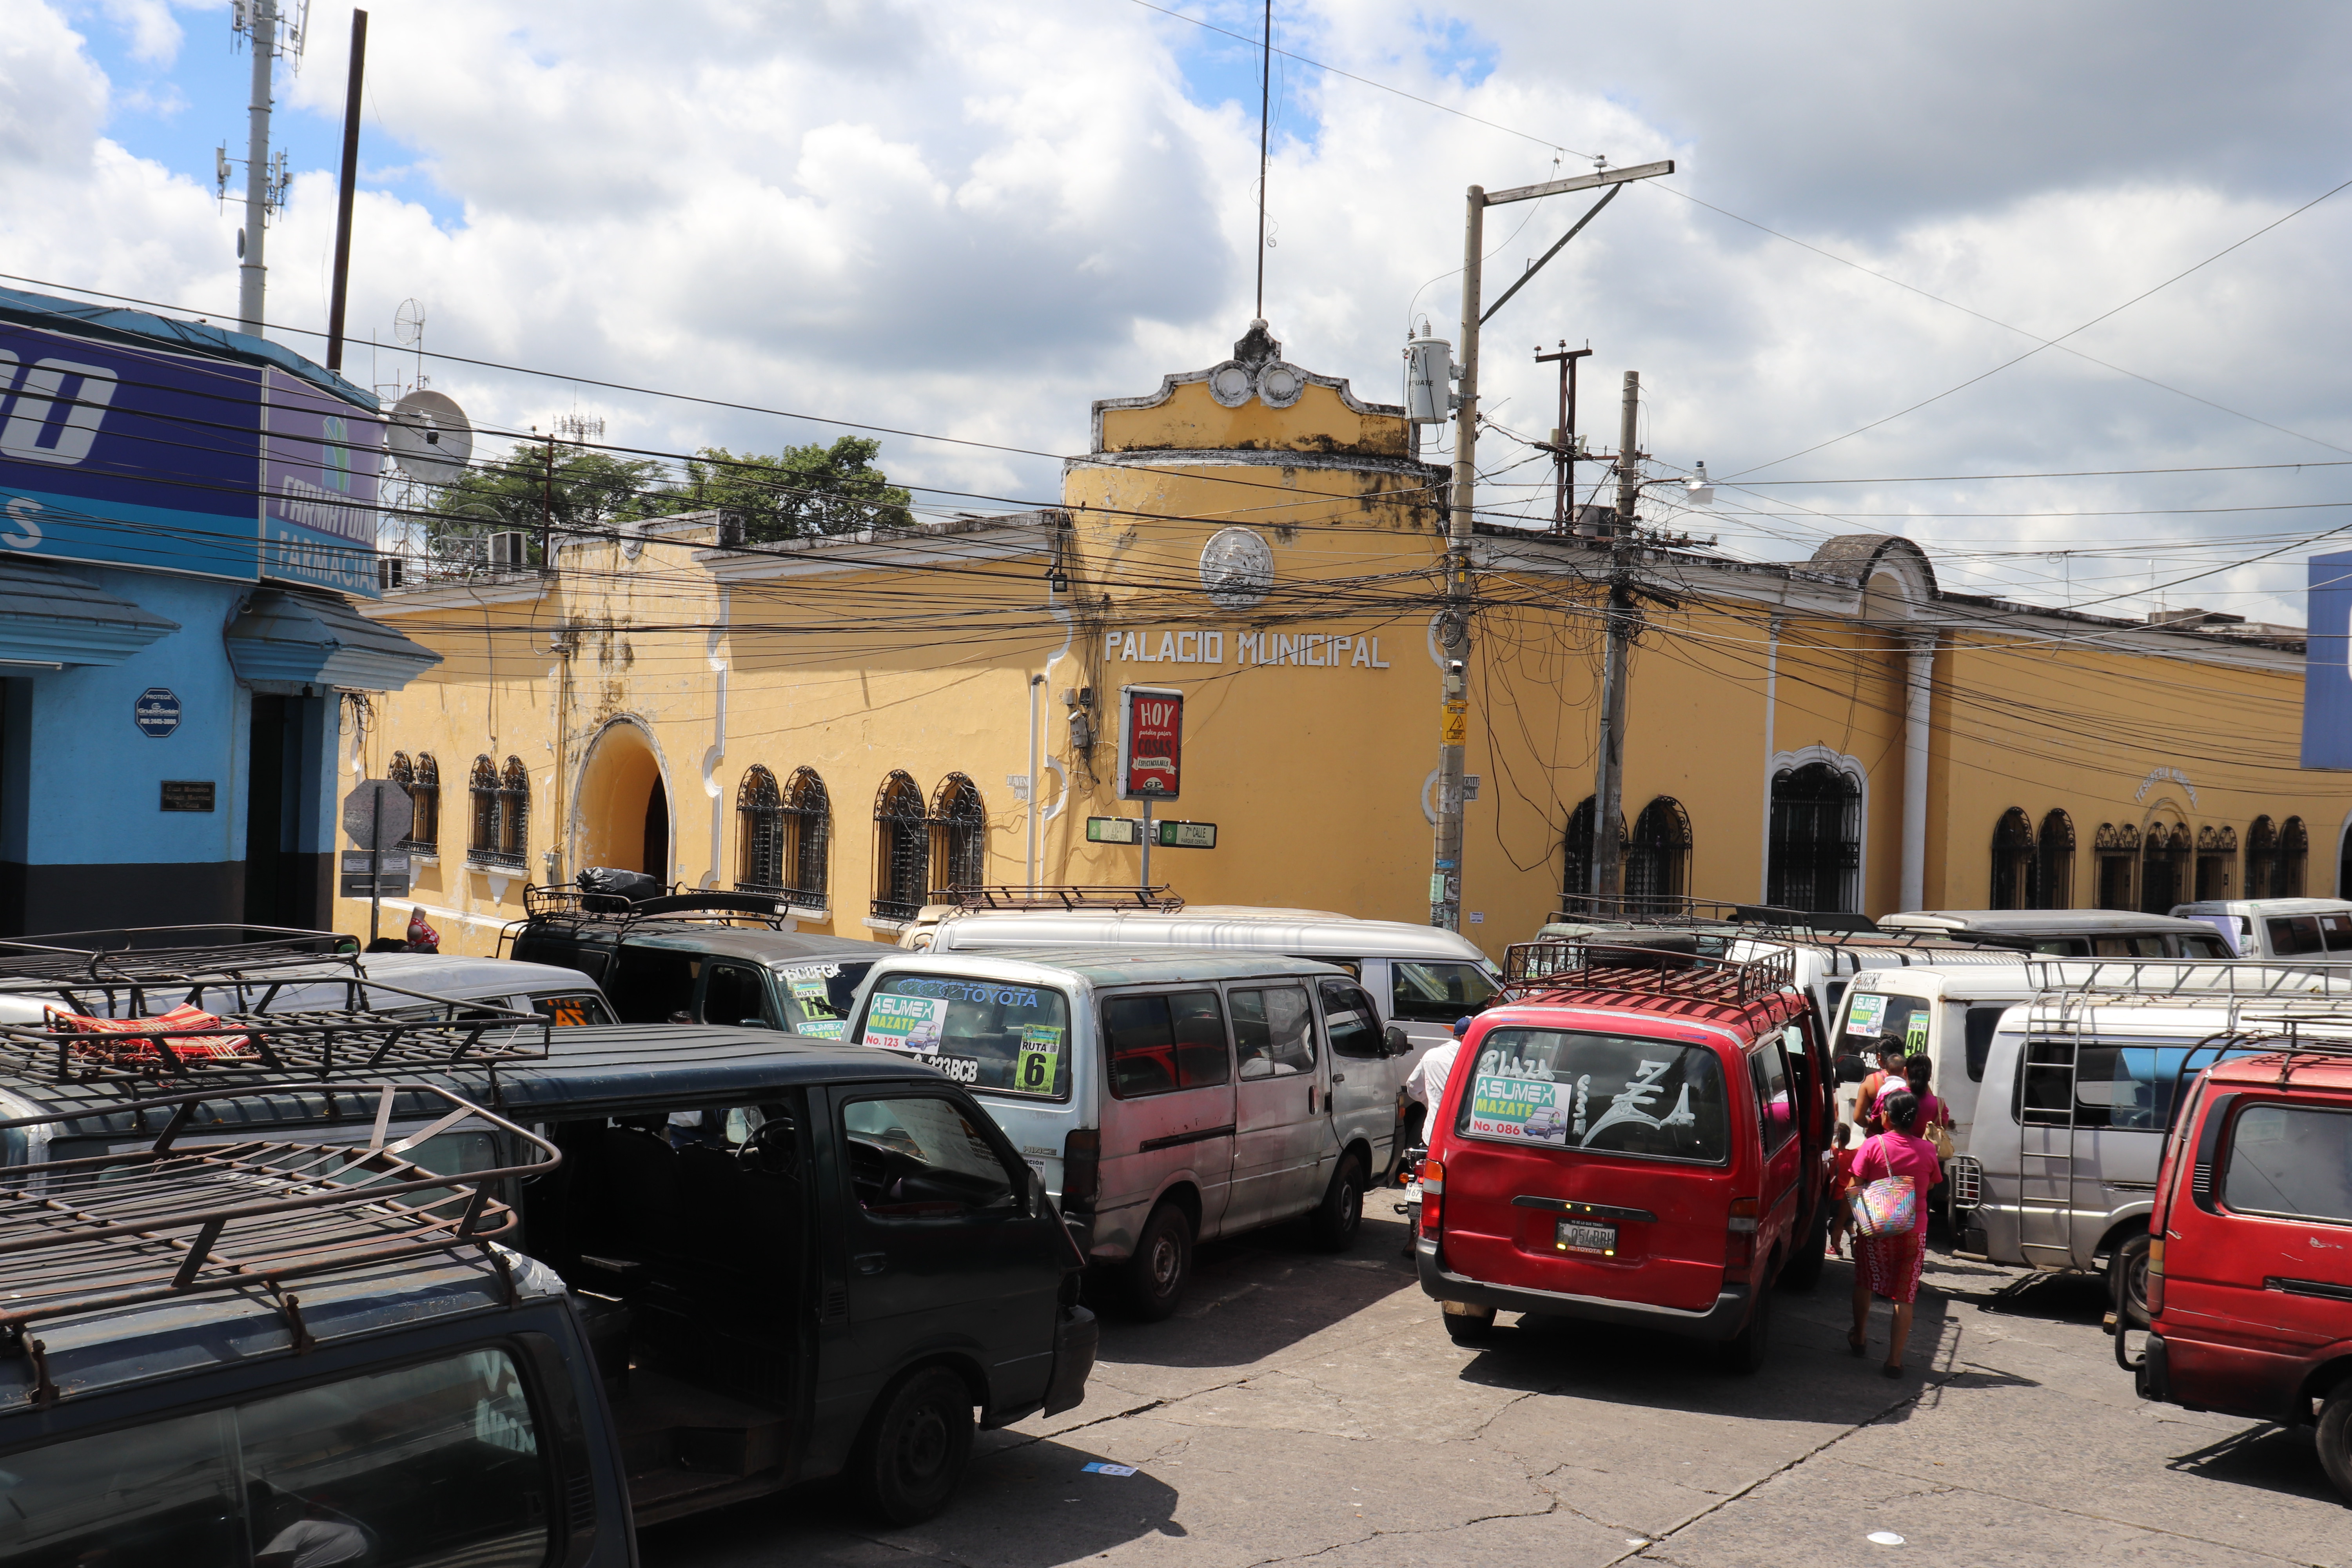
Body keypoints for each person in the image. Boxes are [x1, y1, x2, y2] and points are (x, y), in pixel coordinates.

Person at [1848, 1088, 1941, 1377]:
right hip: (1915, 1231)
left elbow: (1853, 1185)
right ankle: (1895, 1360)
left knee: (1866, 1281)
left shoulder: (1874, 1145)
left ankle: (1860, 1337)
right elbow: (1932, 1186)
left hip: (1876, 1228)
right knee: (1905, 1295)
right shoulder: (1928, 1150)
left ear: (1886, 1116)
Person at [1853, 1042, 1906, 1135]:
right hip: (1906, 1140)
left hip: (1879, 1138)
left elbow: (1858, 1118)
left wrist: (1871, 1124)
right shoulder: (1911, 1080)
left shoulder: (1870, 1082)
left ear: (1879, 1056)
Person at [1825, 1122, 1858, 1258]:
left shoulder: (1836, 1155)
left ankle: (1836, 1249)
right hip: (1851, 1198)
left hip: (1837, 1198)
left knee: (1835, 1224)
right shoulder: (1854, 1154)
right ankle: (1854, 1237)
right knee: (1848, 1222)